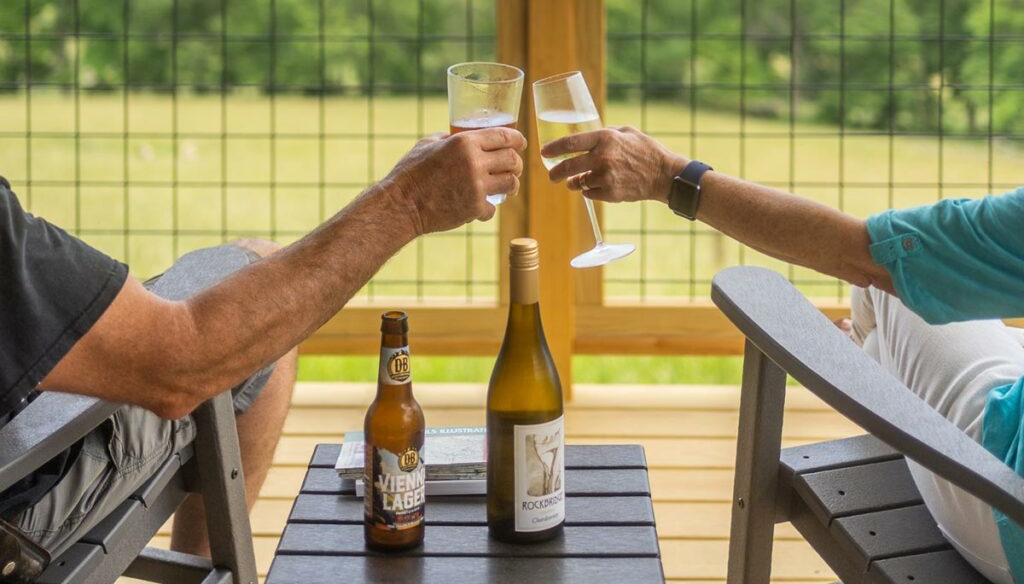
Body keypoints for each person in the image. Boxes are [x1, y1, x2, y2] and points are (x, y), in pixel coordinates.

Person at [0, 126, 526, 557]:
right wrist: (408, 201)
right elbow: (181, 364)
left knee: (252, 261)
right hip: (17, 498)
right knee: (254, 338)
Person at [541, 125, 1024, 584]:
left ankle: (871, 358)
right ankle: (874, 355)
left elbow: (864, 255)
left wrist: (668, 175)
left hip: (1004, 506)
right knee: (895, 291)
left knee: (888, 285)